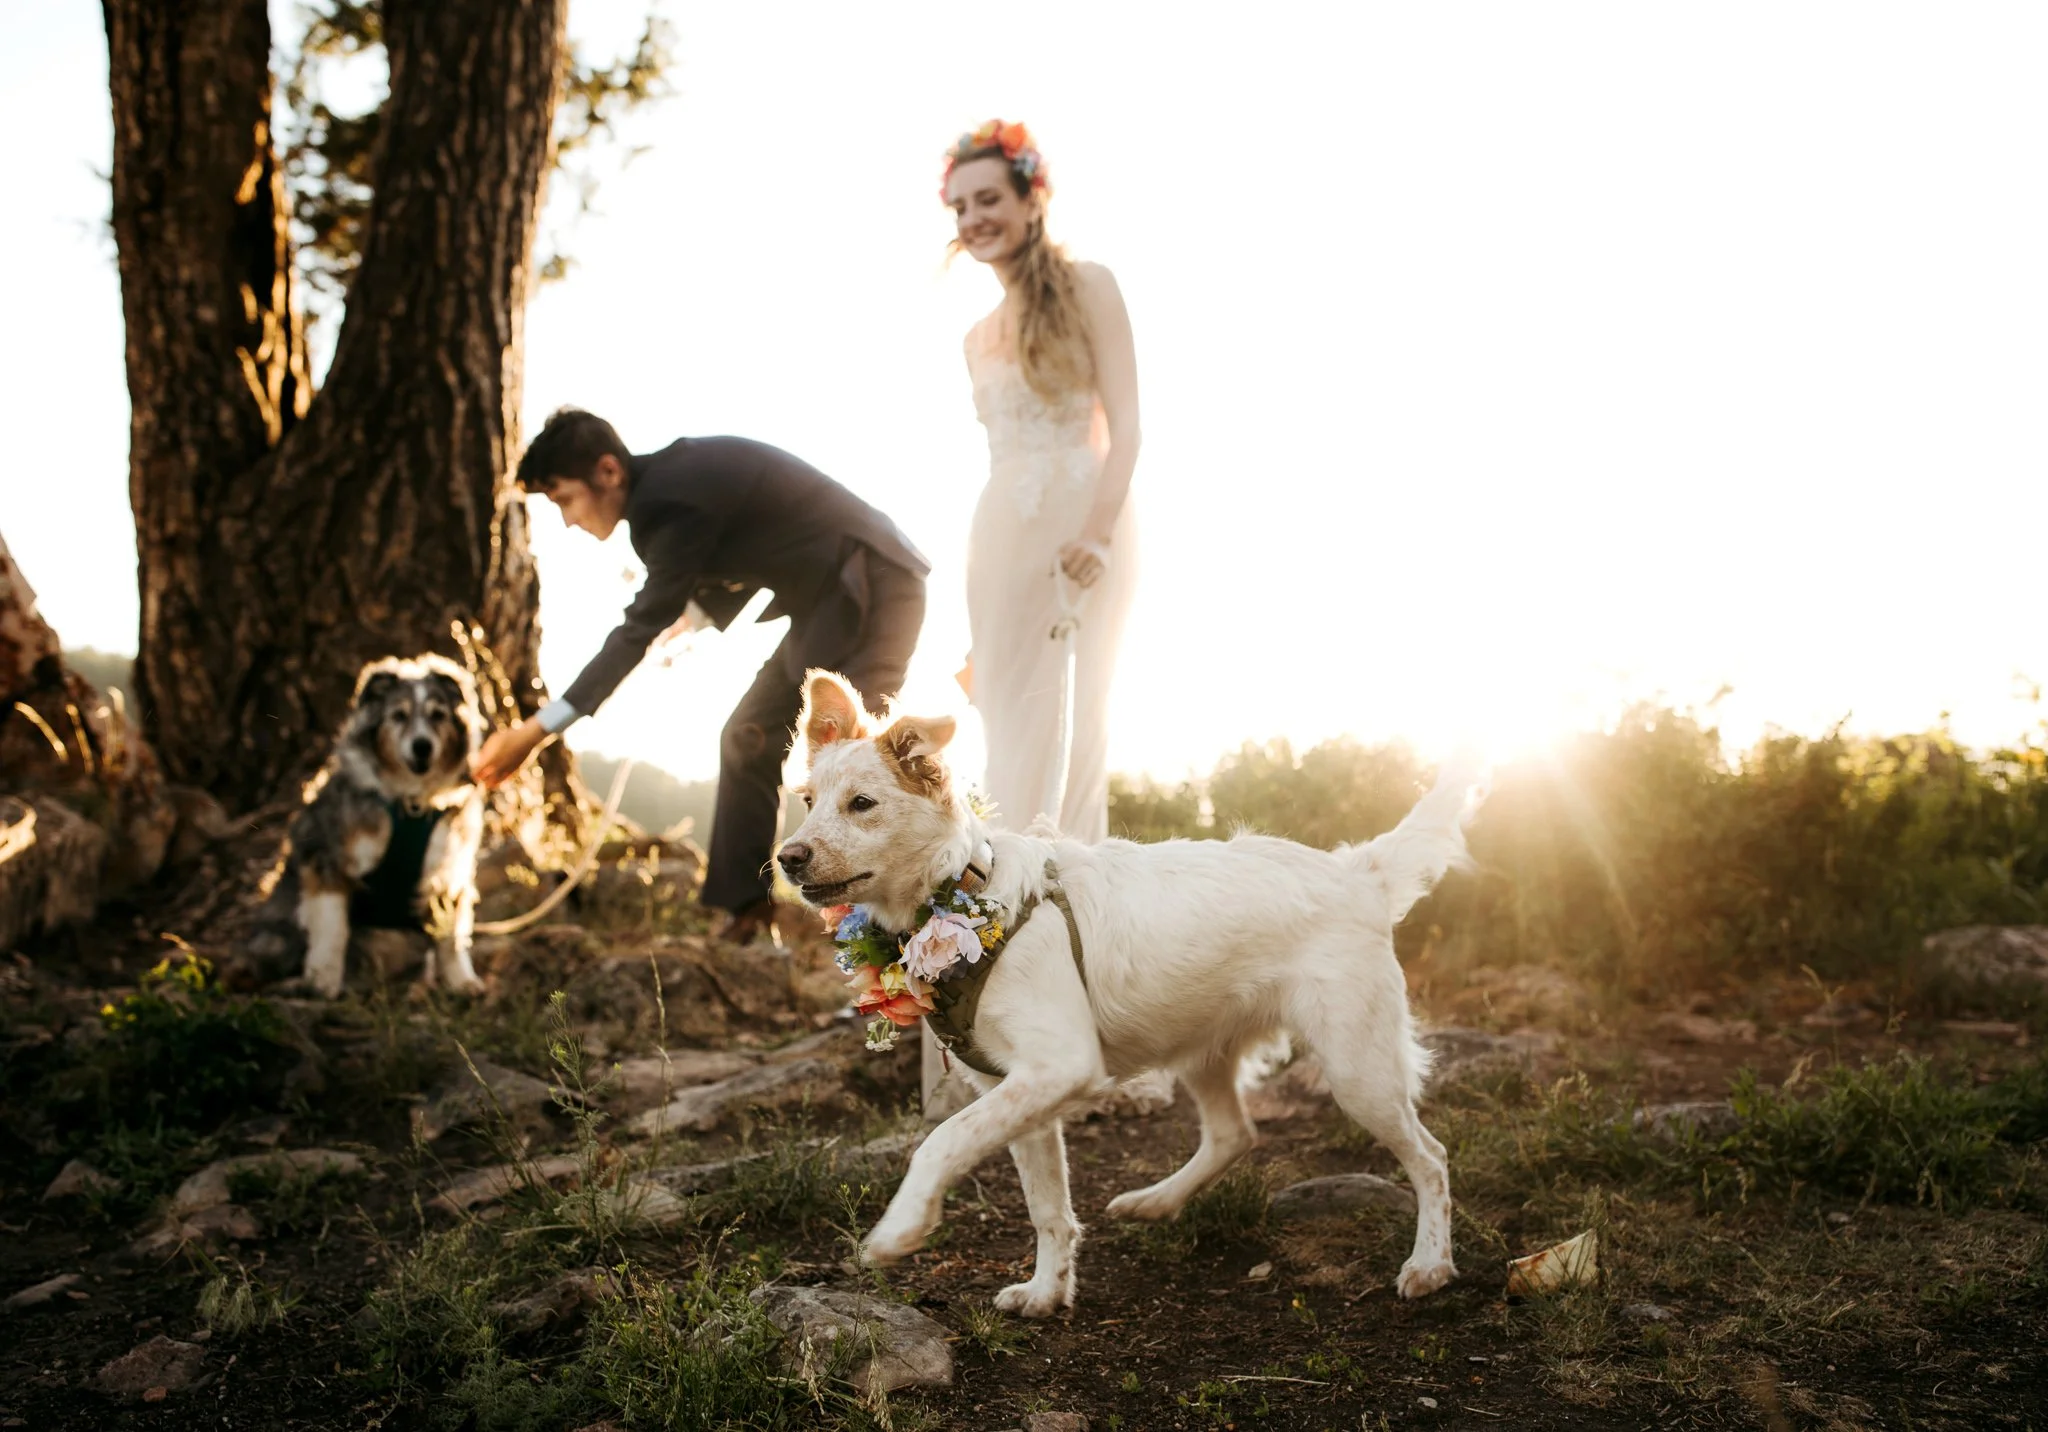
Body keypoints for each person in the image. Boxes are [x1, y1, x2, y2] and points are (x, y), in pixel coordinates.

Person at [472, 409, 929, 943]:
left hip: (870, 584)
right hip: (823, 600)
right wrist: (693, 615)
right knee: (745, 736)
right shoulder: (675, 484)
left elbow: (636, 627)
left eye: (565, 500)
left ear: (608, 472)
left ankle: (891, 940)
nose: (568, 520)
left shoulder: (665, 500)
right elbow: (744, 543)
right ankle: (748, 914)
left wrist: (535, 731)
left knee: (866, 763)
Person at [943, 120, 1140, 844]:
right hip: (999, 536)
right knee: (1003, 714)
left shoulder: (1092, 287)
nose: (974, 220)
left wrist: (1098, 534)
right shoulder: (975, 337)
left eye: (989, 198)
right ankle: (1007, 899)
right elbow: (1002, 456)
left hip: (1083, 526)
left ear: (1033, 198)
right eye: (959, 208)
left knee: (1077, 717)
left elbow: (1126, 428)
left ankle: (1073, 894)